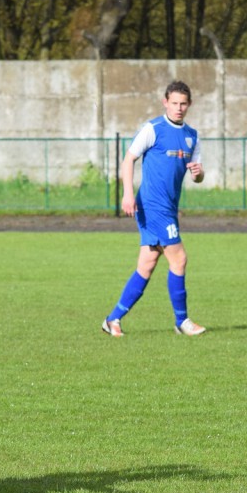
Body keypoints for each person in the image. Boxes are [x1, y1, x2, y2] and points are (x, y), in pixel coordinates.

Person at [102, 80, 207, 337]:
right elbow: (129, 159)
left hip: (169, 208)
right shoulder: (154, 128)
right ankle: (182, 321)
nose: (179, 108)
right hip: (151, 205)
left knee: (147, 265)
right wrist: (128, 194)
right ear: (165, 102)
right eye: (174, 103)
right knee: (179, 258)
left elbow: (197, 177)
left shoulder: (192, 136)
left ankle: (112, 319)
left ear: (189, 105)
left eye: (183, 104)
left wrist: (199, 173)